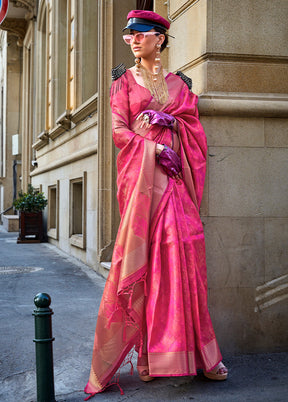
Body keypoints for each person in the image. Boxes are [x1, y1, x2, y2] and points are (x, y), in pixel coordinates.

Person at [84, 10, 228, 399]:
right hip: (144, 186)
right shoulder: (122, 83)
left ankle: (202, 355)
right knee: (147, 267)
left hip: (175, 184)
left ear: (159, 39)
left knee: (185, 262)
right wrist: (153, 147)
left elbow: (192, 124)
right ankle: (148, 357)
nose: (131, 40)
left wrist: (170, 125)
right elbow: (117, 131)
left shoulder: (178, 84)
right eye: (128, 34)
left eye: (139, 34)